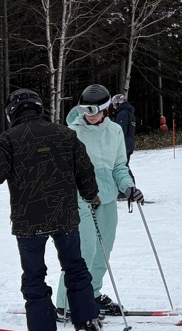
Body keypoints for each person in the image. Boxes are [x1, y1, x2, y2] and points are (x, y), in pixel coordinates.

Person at [0, 89, 103, 331]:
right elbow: (85, 169)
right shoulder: (65, 134)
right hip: (65, 217)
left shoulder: (10, 139)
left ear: (12, 112)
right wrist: (91, 195)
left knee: (34, 275)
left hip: (29, 221)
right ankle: (88, 322)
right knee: (75, 268)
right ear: (38, 108)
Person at [59, 84, 139, 317]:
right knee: (85, 249)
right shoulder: (72, 132)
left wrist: (129, 187)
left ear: (105, 109)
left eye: (93, 110)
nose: (89, 115)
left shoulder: (114, 131)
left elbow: (118, 167)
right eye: (85, 110)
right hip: (80, 196)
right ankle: (65, 302)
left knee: (104, 251)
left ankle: (91, 294)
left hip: (107, 197)